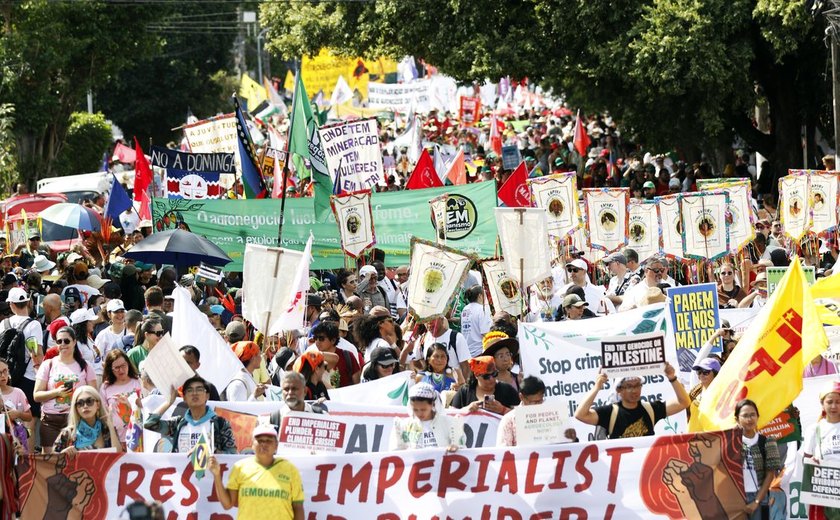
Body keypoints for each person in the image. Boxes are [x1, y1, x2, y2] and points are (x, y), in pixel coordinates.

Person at [209, 423, 305, 520]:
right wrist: (217, 475)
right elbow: (227, 504)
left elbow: (298, 507)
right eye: (259, 440)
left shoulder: (290, 470)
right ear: (252, 444)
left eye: (269, 441)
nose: (264, 444)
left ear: (276, 445)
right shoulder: (240, 468)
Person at [574, 363, 690, 439]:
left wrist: (672, 378)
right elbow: (581, 415)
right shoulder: (610, 412)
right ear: (619, 389)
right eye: (629, 386)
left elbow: (684, 402)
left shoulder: (650, 409)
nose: (634, 391)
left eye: (637, 385)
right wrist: (596, 387)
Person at [33, 326, 97, 453]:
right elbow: (36, 395)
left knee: (77, 461)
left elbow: (94, 395)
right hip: (51, 421)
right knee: (51, 463)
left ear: (74, 342)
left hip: (77, 419)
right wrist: (56, 392)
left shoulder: (85, 366)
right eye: (59, 341)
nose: (63, 344)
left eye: (66, 341)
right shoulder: (48, 364)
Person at [144, 375, 236, 454]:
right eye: (190, 390)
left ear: (207, 395)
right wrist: (169, 402)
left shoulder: (220, 424)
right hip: (183, 474)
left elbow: (232, 454)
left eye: (199, 390)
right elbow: (149, 423)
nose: (194, 393)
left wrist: (211, 452)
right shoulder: (178, 423)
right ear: (184, 398)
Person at [735, 399, 782, 519]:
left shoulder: (767, 441)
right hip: (736, 498)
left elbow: (770, 474)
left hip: (760, 498)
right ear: (737, 419)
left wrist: (756, 501)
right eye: (745, 416)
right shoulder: (731, 443)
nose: (749, 419)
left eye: (752, 415)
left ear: (757, 417)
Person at [389, 382, 465, 451]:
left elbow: (462, 449)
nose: (419, 413)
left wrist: (455, 447)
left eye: (423, 410)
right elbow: (396, 452)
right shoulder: (403, 426)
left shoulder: (451, 423)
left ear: (432, 404)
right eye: (415, 410)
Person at [803, 380, 840, 519]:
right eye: (830, 402)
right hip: (824, 491)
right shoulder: (814, 429)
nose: (834, 406)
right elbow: (805, 460)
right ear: (822, 404)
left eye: (838, 401)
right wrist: (811, 462)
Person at [52, 386, 121, 456]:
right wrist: (63, 453)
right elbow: (51, 461)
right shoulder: (67, 433)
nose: (85, 406)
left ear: (98, 405)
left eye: (89, 401)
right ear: (76, 408)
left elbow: (118, 456)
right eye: (80, 403)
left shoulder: (107, 429)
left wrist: (111, 427)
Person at [99, 349, 142, 447]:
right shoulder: (105, 387)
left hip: (138, 436)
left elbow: (146, 407)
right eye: (117, 368)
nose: (121, 370)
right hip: (116, 439)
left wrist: (130, 402)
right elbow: (103, 413)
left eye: (123, 366)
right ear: (110, 369)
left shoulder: (138, 382)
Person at [450, 356, 519, 413]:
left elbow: (521, 417)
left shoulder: (507, 390)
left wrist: (502, 410)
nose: (491, 379)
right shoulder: (465, 391)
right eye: (486, 376)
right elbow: (451, 415)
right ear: (476, 376)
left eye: (494, 374)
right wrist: (466, 410)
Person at [497, 376, 545, 447]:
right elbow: (504, 452)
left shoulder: (550, 415)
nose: (537, 405)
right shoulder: (509, 420)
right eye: (534, 402)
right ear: (521, 397)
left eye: (540, 401)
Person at [0, 358, 32, 452]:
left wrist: (17, 414)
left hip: (16, 440)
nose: (3, 376)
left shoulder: (18, 392)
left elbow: (29, 417)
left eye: (5, 371)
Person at [686, 357, 720, 432]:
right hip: (694, 438)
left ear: (716, 373)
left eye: (705, 372)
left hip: (714, 436)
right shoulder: (694, 392)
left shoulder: (722, 392)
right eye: (699, 372)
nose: (701, 375)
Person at [70, 308, 103, 382]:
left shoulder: (88, 338)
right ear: (83, 324)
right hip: (87, 380)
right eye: (90, 321)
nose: (93, 323)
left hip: (97, 377)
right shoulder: (76, 344)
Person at [460, 285, 491, 357]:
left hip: (467, 352)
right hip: (479, 352)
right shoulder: (482, 309)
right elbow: (485, 333)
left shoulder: (465, 309)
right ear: (480, 296)